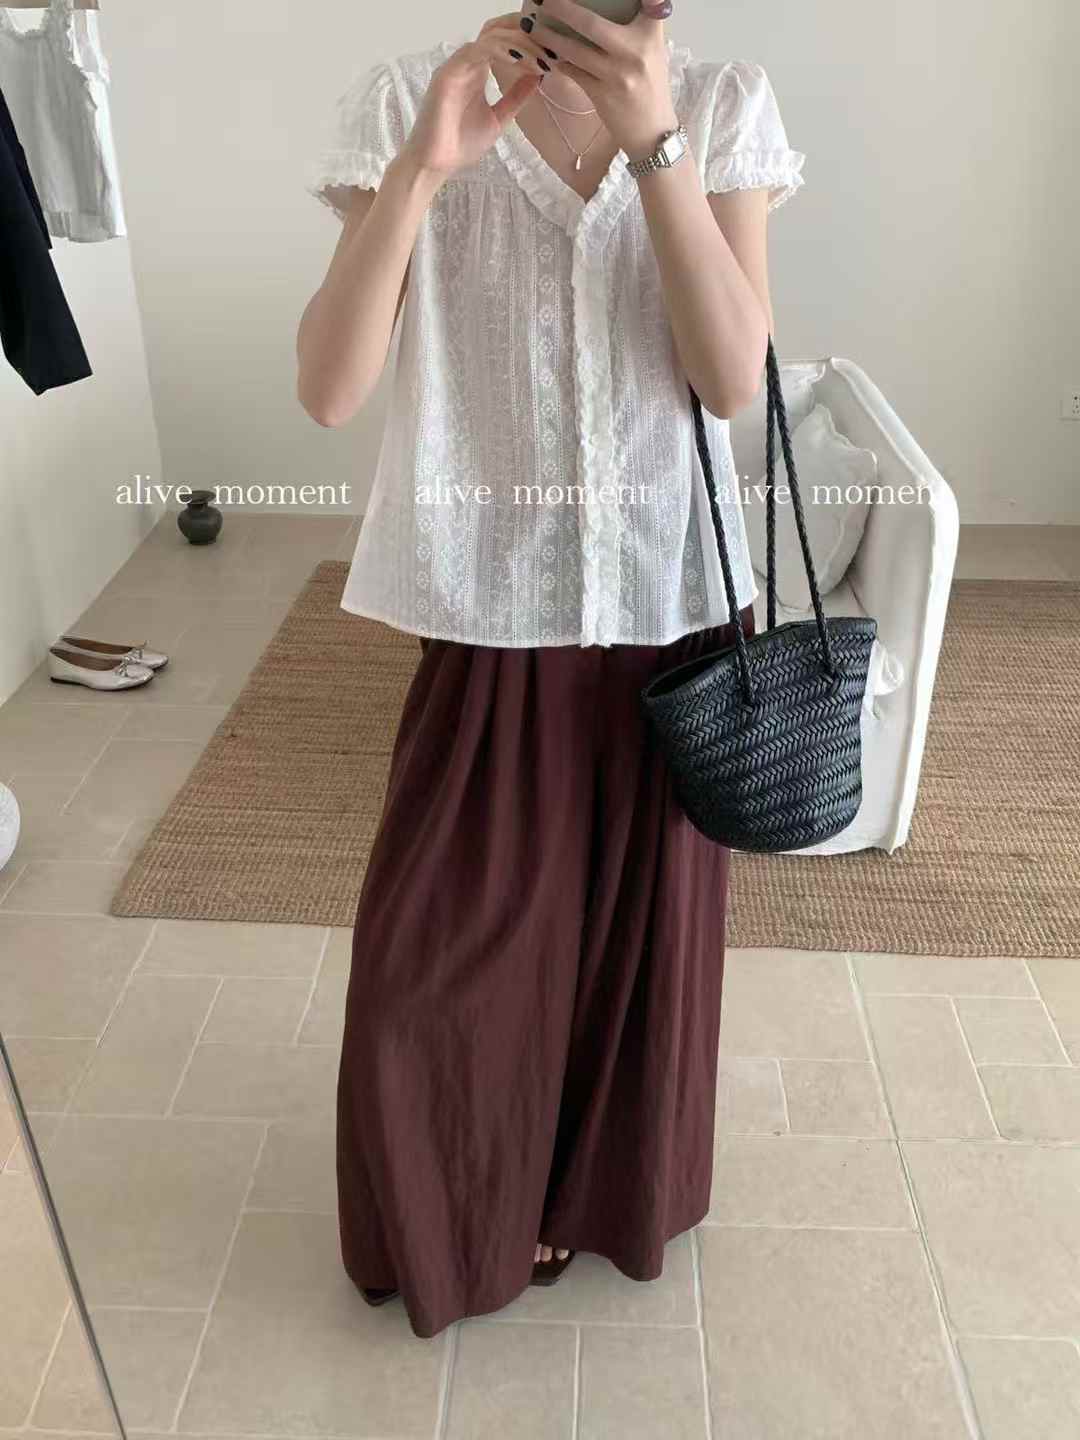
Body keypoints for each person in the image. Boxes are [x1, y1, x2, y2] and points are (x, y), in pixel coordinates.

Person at [296, 0, 804, 1340]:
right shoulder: (409, 97)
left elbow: (732, 380)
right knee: (431, 957)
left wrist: (658, 144)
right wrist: (422, 173)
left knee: (636, 951)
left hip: (668, 604)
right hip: (488, 607)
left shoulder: (726, 102)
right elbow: (330, 391)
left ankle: (587, 1188)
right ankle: (457, 1196)